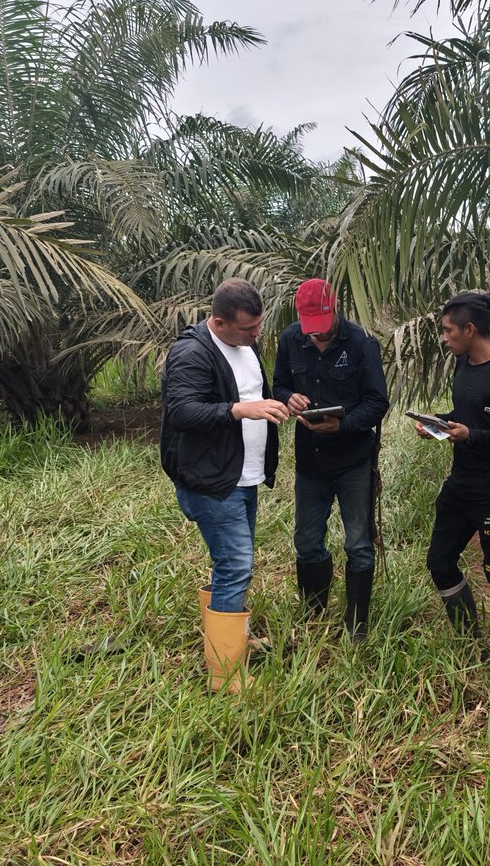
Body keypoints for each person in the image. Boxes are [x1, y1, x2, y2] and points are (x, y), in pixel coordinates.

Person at [160, 277, 290, 693]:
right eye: (248, 329)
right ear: (218, 321)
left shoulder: (243, 346)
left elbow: (253, 391)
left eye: (258, 327)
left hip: (242, 474)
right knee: (236, 565)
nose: (256, 336)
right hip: (212, 480)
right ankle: (224, 673)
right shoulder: (191, 352)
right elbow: (182, 411)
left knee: (230, 564)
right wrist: (239, 409)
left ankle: (229, 640)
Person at [272, 278, 390, 641]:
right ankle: (314, 615)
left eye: (322, 329)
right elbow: (278, 385)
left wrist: (343, 426)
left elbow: (377, 402)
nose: (317, 337)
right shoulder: (291, 339)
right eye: (311, 331)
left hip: (353, 460)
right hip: (311, 462)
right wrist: (289, 398)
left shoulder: (360, 344)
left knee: (357, 543)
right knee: (307, 541)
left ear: (334, 308)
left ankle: (357, 625)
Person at [414, 291, 490, 656]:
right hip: (460, 484)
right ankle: (467, 637)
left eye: (449, 331)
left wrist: (471, 436)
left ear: (469, 329)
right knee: (440, 561)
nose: (444, 338)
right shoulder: (462, 365)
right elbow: (467, 412)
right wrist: (440, 423)